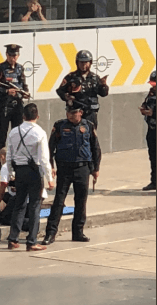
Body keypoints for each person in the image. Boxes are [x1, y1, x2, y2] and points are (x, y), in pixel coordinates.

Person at [42, 101, 102, 246]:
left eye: (73, 113)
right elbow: (50, 148)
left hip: (83, 168)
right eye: (68, 112)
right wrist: (51, 166)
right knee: (59, 201)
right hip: (64, 168)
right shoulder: (60, 125)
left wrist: (95, 169)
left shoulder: (88, 126)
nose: (70, 115)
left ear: (80, 113)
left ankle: (78, 232)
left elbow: (96, 148)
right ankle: (50, 233)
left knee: (81, 201)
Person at [6, 103, 55, 252]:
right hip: (34, 172)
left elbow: (9, 155)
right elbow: (44, 158)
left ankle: (13, 239)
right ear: (37, 116)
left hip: (19, 171)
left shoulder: (14, 132)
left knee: (19, 204)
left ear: (23, 116)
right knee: (34, 206)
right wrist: (49, 179)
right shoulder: (39, 132)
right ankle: (31, 241)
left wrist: (10, 173)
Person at [0, 44, 31, 174]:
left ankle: (18, 162)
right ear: (7, 55)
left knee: (18, 134)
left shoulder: (20, 68)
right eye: (11, 55)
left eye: (15, 55)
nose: (13, 58)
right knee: (2, 134)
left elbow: (23, 84)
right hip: (5, 105)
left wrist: (25, 92)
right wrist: (6, 91)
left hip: (18, 105)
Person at [56, 50, 109, 129]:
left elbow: (103, 93)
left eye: (86, 62)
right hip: (75, 113)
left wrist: (103, 85)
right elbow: (60, 90)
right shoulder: (71, 77)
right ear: (77, 63)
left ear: (90, 63)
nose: (84, 65)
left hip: (90, 113)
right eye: (81, 62)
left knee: (90, 136)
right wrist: (66, 97)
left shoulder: (95, 78)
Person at [140, 71, 156, 191]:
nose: (153, 85)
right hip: (152, 130)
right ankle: (154, 181)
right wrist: (144, 109)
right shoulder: (151, 93)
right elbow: (145, 104)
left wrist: (153, 113)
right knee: (153, 156)